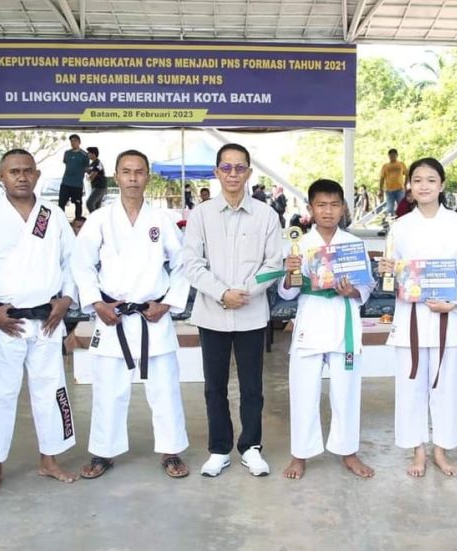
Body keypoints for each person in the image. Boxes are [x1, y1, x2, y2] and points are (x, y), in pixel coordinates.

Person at [0, 149, 78, 493]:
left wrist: (66, 300)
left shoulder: (52, 215)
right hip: (3, 321)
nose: (22, 177)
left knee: (51, 388)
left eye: (28, 171)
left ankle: (50, 459)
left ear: (37, 175)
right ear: (2, 177)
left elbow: (72, 261)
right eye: (14, 171)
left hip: (47, 319)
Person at [73, 149, 191, 480]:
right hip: (113, 316)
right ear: (117, 175)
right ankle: (102, 452)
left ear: (147, 176)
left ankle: (171, 451)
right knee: (108, 389)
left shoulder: (162, 220)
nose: (133, 178)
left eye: (139, 172)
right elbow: (81, 264)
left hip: (153, 314)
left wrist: (167, 304)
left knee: (165, 388)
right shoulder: (99, 218)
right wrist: (96, 304)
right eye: (126, 172)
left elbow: (183, 264)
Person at [180, 142, 283, 477]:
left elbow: (274, 263)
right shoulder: (200, 214)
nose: (233, 174)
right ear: (217, 171)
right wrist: (222, 293)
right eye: (226, 167)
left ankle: (251, 447)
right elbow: (192, 264)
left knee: (252, 386)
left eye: (240, 168)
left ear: (249, 173)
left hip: (252, 314)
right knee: (215, 386)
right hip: (212, 313)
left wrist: (247, 293)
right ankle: (219, 448)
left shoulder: (267, 215)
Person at [379, 158, 457, 477]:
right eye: (418, 179)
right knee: (411, 386)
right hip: (411, 316)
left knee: (446, 386)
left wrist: (455, 304)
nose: (424, 185)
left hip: (446, 317)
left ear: (442, 185)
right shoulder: (400, 226)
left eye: (431, 180)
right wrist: (388, 272)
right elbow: (393, 274)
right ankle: (418, 451)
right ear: (408, 184)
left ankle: (441, 450)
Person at [278, 179, 375, 480]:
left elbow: (368, 285)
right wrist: (291, 272)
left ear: (343, 208)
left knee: (346, 392)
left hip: (343, 321)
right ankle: (300, 454)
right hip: (310, 322)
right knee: (303, 391)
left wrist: (353, 292)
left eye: (334, 205)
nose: (328, 211)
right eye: (321, 205)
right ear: (310, 209)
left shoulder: (353, 245)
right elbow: (287, 294)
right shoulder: (299, 245)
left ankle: (348, 451)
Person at [58, 134, 89, 220]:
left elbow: (87, 168)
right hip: (66, 183)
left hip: (77, 184)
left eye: (75, 141)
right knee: (61, 203)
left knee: (78, 204)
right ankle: (61, 220)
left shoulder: (84, 155)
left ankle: (78, 222)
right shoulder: (67, 153)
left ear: (79, 142)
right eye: (71, 141)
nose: (73, 143)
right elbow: (66, 163)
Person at [378, 148, 407, 215]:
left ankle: (402, 222)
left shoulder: (401, 164)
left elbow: (407, 174)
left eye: (394, 155)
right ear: (388, 156)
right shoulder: (385, 166)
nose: (392, 157)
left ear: (397, 155)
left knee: (402, 207)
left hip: (400, 189)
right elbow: (382, 178)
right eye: (391, 155)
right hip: (389, 190)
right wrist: (381, 190)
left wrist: (405, 184)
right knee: (390, 208)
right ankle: (391, 222)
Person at [84, 146, 107, 214]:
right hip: (95, 187)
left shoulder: (98, 163)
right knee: (96, 206)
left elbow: (92, 176)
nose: (88, 154)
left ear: (94, 154)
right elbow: (87, 171)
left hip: (100, 187)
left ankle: (94, 219)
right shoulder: (92, 164)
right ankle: (99, 221)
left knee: (89, 203)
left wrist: (88, 177)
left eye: (89, 153)